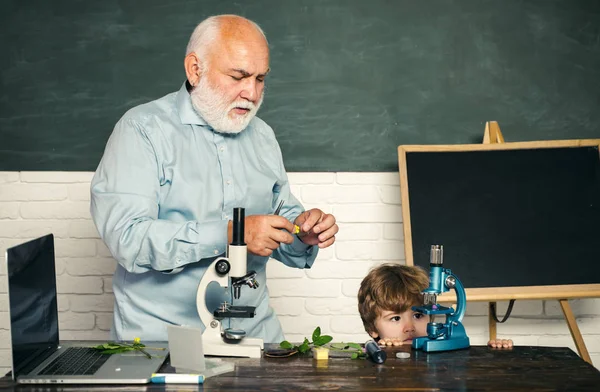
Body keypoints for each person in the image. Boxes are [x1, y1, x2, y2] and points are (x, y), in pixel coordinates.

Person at [90, 14, 338, 343]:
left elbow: (281, 217)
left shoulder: (263, 136)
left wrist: (303, 232)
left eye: (261, 79)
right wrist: (232, 233)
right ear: (195, 69)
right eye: (238, 76)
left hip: (256, 337)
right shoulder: (141, 131)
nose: (251, 92)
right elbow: (128, 239)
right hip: (162, 342)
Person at [358, 263, 513, 348]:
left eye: (418, 315)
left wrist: (497, 351)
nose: (409, 327)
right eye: (395, 318)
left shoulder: (440, 345)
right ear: (372, 329)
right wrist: (387, 351)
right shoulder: (375, 356)